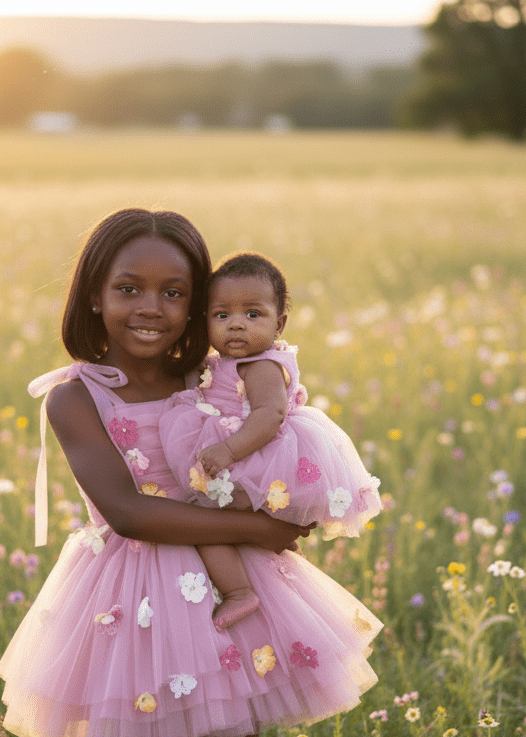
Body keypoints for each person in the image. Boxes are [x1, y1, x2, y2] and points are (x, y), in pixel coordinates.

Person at [0, 210, 382, 737]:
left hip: (236, 594)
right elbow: (129, 511)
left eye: (175, 293)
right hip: (133, 602)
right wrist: (256, 530)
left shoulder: (218, 378)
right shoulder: (76, 395)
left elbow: (276, 439)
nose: (151, 308)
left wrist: (285, 500)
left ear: (200, 305)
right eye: (129, 289)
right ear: (93, 296)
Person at [159, 252, 382, 630]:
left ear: (278, 324)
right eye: (222, 315)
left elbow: (270, 415)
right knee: (213, 519)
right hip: (249, 458)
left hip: (257, 456)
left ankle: (238, 592)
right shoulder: (226, 362)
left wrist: (228, 450)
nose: (236, 326)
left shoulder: (261, 365)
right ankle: (263, 539)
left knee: (206, 522)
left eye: (252, 314)